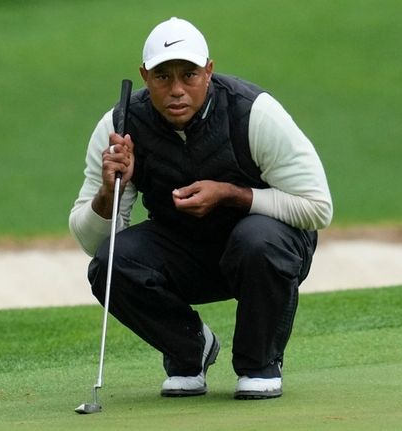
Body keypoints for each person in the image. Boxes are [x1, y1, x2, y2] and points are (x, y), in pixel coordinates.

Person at [69, 17, 332, 400]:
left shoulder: (254, 113)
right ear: (144, 76)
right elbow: (93, 243)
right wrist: (110, 190)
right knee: (111, 264)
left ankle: (260, 363)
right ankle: (190, 350)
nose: (177, 90)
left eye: (189, 75)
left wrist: (231, 194)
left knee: (257, 238)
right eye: (163, 77)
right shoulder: (120, 125)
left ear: (209, 71)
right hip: (184, 252)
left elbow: (318, 208)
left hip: (261, 251)